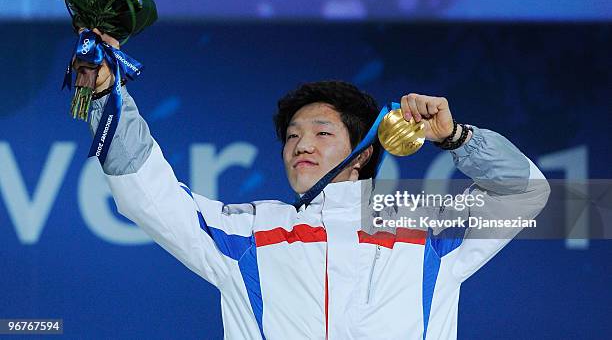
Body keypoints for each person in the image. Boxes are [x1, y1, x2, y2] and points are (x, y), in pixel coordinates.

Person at [81, 30, 550, 339]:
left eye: (323, 133)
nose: (300, 145)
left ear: (364, 151)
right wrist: (107, 93)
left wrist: (456, 138)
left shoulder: (425, 230)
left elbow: (528, 192)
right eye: (292, 136)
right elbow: (149, 195)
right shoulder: (248, 235)